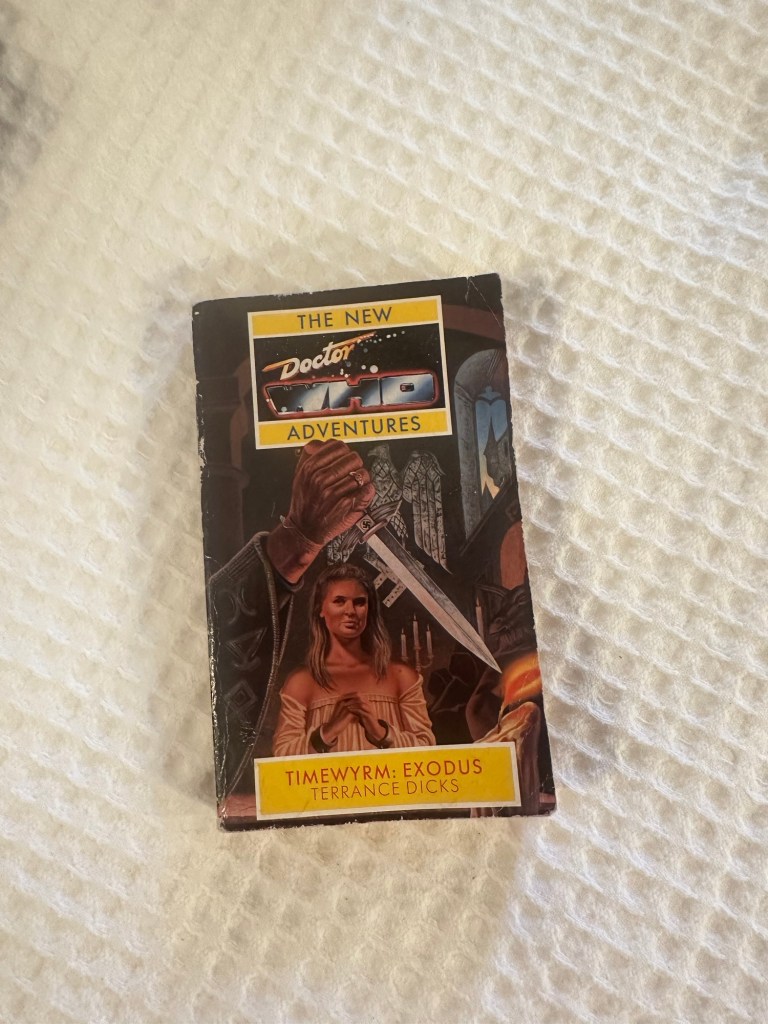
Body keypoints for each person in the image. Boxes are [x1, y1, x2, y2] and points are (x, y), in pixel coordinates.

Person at [273, 564, 435, 755]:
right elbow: (281, 757)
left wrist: (379, 731)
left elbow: (427, 748)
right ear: (320, 609)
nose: (350, 611)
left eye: (359, 602)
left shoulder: (401, 676)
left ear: (369, 609)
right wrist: (329, 731)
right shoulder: (301, 682)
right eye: (339, 601)